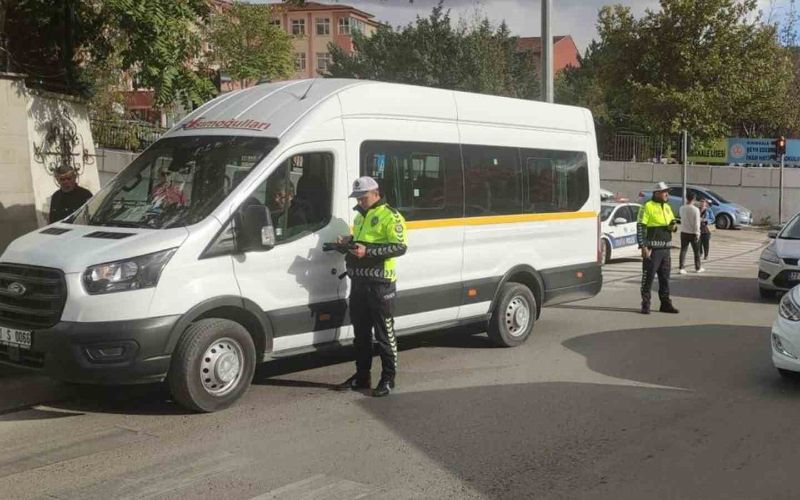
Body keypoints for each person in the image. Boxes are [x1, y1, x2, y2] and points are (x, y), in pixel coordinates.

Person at [337, 176, 408, 397]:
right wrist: (346, 243)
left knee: (384, 333)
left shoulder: (390, 216)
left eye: (363, 197)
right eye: (357, 198)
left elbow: (399, 247)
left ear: (376, 194)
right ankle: (362, 375)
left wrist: (367, 252)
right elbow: (361, 243)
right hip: (358, 282)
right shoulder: (360, 217)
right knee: (361, 335)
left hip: (381, 285)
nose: (359, 201)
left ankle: (388, 378)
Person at [637, 181, 680, 315]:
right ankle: (646, 304)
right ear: (657, 193)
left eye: (667, 192)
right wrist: (643, 246)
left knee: (665, 279)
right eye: (664, 192)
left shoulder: (667, 207)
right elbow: (640, 227)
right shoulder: (647, 206)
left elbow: (673, 227)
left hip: (666, 249)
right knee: (648, 278)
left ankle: (665, 304)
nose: (667, 194)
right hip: (652, 249)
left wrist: (673, 226)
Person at [678, 192, 705, 274]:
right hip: (693, 232)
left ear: (687, 198)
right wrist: (698, 233)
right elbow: (697, 223)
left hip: (684, 231)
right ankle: (698, 267)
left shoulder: (682, 208)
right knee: (696, 251)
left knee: (683, 250)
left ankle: (681, 267)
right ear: (694, 199)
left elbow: (681, 218)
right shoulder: (696, 210)